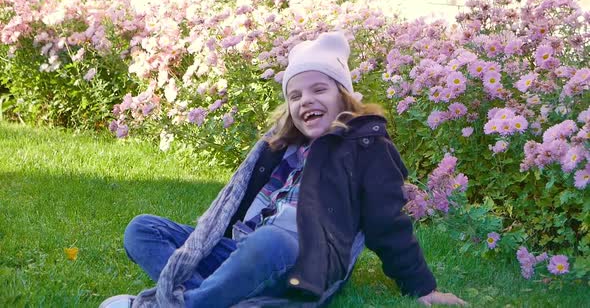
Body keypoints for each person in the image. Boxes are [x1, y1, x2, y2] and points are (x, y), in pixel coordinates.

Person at [100, 31, 466, 308]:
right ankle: (219, 293)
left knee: (272, 238)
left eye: (318, 89)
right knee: (142, 229)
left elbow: (388, 223)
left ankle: (183, 302)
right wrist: (212, 244)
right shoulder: (279, 148)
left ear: (344, 95)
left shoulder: (366, 147)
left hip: (305, 257)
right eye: (295, 95)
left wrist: (424, 288)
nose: (306, 100)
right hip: (244, 248)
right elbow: (238, 206)